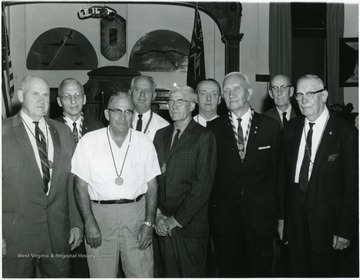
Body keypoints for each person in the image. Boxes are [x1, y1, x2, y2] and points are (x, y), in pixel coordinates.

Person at [71, 92, 160, 278]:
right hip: (100, 217)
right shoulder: (89, 141)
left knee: (141, 273)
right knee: (101, 274)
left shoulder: (144, 142)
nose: (122, 116)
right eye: (117, 111)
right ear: (106, 113)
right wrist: (88, 222)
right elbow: (79, 186)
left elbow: (152, 186)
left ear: (133, 115)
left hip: (136, 215)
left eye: (128, 111)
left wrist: (149, 222)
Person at [2, 76, 83, 277]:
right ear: (21, 96)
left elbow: (70, 181)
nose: (41, 99)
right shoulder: (2, 133)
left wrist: (75, 223)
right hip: (16, 237)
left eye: (45, 94)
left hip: (58, 236)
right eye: (35, 94)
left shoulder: (63, 131)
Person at [278, 74, 358, 277]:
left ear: (324, 95)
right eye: (299, 95)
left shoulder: (345, 132)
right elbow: (283, 178)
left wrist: (345, 229)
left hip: (328, 223)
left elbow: (353, 185)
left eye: (310, 94)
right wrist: (282, 219)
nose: (303, 100)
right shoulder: (291, 130)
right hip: (295, 220)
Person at [207, 72, 281, 277]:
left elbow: (278, 175)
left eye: (236, 89)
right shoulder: (212, 129)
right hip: (225, 219)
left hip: (260, 218)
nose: (230, 94)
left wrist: (280, 217)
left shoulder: (270, 127)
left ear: (249, 93)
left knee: (261, 272)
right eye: (226, 91)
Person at [153, 85, 217, 277]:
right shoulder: (160, 135)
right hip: (162, 225)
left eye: (180, 102)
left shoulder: (204, 136)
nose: (173, 106)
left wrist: (176, 220)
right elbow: (153, 178)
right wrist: (157, 214)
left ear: (192, 106)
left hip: (189, 227)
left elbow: (203, 185)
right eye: (170, 102)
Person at [56, 78, 103, 277]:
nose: (73, 101)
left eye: (77, 96)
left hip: (94, 208)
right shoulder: (50, 128)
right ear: (59, 101)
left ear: (84, 99)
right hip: (63, 210)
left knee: (94, 267)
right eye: (67, 96)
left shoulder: (99, 127)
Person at [130, 75, 169, 140]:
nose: (142, 94)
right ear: (130, 93)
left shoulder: (163, 126)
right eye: (137, 90)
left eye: (147, 90)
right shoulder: (120, 121)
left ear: (154, 96)